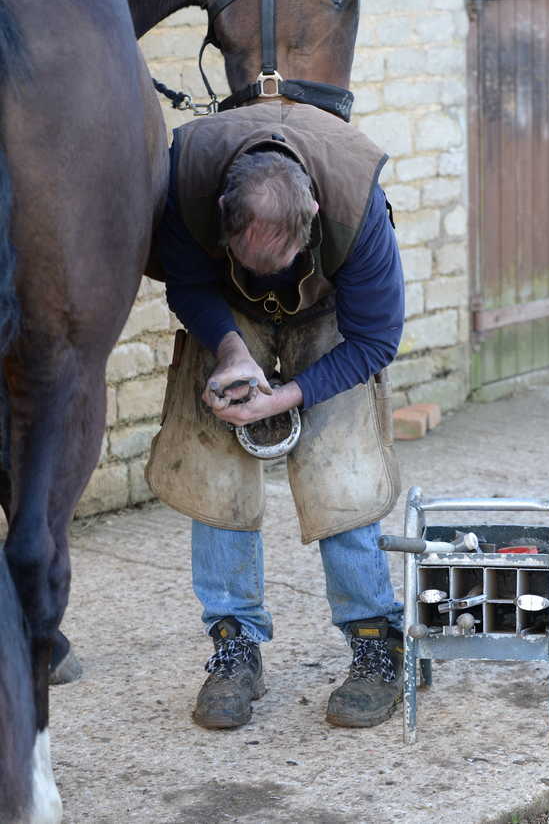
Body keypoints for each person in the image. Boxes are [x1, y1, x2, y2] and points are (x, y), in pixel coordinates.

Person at [146, 100, 405, 730]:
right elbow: (185, 281)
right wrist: (229, 351)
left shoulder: (354, 201)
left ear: (312, 215)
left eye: (281, 257)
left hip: (330, 318)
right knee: (212, 467)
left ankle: (377, 643)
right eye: (249, 254)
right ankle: (234, 646)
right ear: (223, 221)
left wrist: (289, 396)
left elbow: (376, 339)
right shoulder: (185, 180)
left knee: (341, 474)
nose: (271, 270)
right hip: (227, 311)